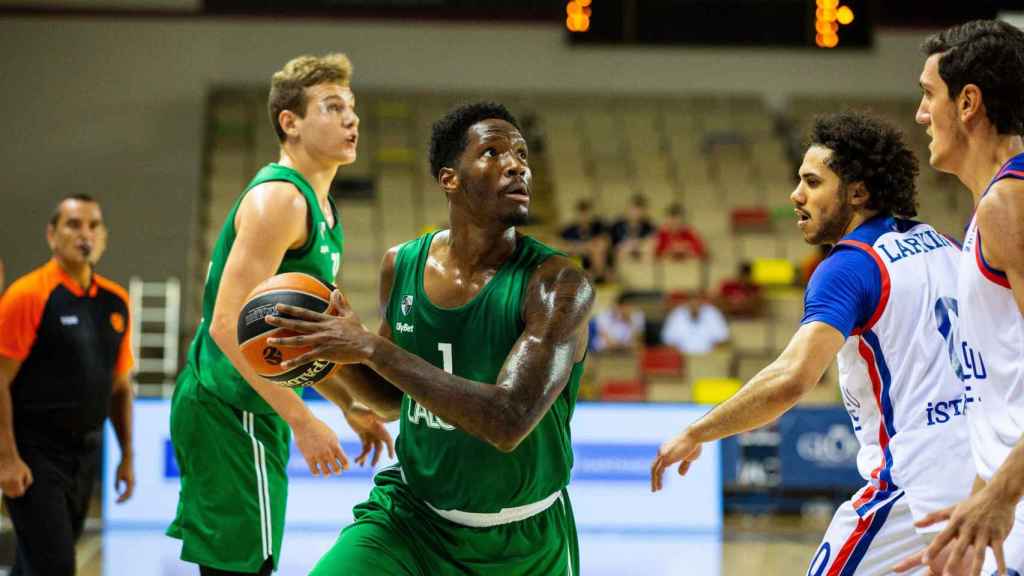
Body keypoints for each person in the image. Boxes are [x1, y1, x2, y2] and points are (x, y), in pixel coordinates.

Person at [264, 101, 594, 575]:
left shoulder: (557, 284)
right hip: (411, 520)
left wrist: (370, 348)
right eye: (493, 152)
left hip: (524, 542)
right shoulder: (402, 265)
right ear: (449, 179)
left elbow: (508, 420)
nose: (517, 164)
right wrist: (329, 350)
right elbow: (392, 400)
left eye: (521, 153)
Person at [651, 112, 975, 575]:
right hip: (985, 472)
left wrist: (696, 431)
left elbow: (792, 379)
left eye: (812, 182)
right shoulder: (943, 243)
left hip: (915, 484)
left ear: (857, 192)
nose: (795, 196)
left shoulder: (848, 266)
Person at [167, 53, 393, 576]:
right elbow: (228, 326)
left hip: (249, 404)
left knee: (253, 563)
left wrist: (346, 404)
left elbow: (299, 340)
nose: (351, 119)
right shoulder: (280, 201)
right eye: (332, 107)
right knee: (245, 569)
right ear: (289, 122)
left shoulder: (321, 208)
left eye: (352, 108)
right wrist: (303, 419)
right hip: (228, 405)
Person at [895, 20, 1024, 576]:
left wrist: (999, 497)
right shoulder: (990, 208)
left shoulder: (1009, 208)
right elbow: (1002, 393)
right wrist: (974, 506)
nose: (921, 115)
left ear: (968, 102)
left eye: (929, 95)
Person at [0, 194, 135, 576]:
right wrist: (7, 458)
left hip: (85, 455)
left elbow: (120, 387)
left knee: (36, 564)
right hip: (34, 454)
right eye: (73, 225)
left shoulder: (116, 301)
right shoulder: (28, 296)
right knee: (55, 566)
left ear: (104, 236)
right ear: (52, 235)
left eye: (94, 225)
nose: (84, 234)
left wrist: (127, 456)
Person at [660, 292, 729, 355]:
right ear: (687, 302)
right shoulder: (677, 313)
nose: (694, 304)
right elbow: (668, 340)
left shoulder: (713, 313)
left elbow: (722, 339)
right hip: (682, 357)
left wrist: (712, 356)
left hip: (709, 357)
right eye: (692, 301)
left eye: (697, 301)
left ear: (702, 302)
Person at [559, 198, 610, 281]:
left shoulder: (598, 226)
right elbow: (563, 246)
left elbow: (604, 242)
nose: (584, 217)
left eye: (586, 214)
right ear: (577, 215)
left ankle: (599, 275)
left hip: (594, 256)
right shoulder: (569, 230)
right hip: (577, 256)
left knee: (599, 249)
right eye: (581, 214)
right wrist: (584, 247)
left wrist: (588, 247)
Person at [610, 194, 657, 264]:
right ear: (627, 209)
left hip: (641, 255)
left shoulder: (649, 226)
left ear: (644, 211)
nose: (636, 213)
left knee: (648, 251)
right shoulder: (617, 225)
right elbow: (614, 247)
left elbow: (650, 243)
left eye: (639, 210)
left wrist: (636, 245)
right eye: (633, 209)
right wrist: (629, 246)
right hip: (622, 256)